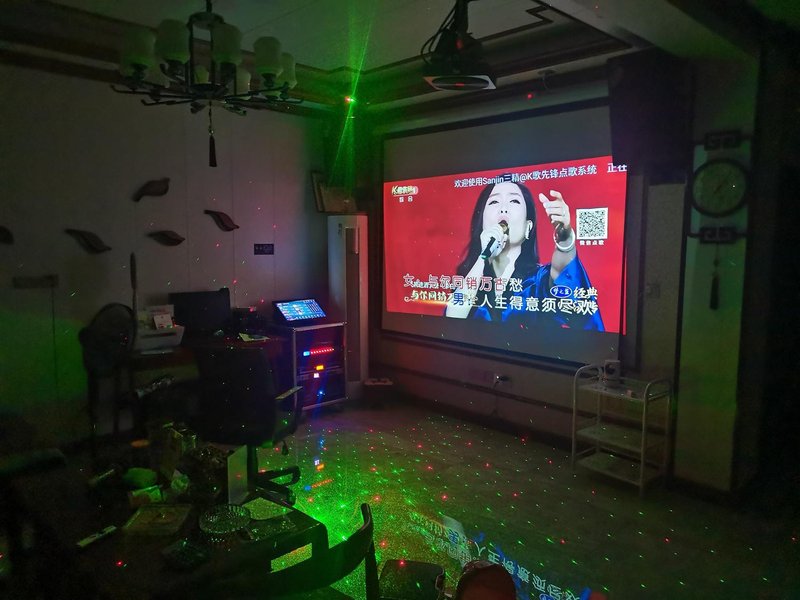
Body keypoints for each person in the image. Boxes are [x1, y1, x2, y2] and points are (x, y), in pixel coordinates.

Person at [445, 180, 603, 330]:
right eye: (494, 202)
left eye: (514, 201)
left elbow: (571, 291)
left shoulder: (539, 280)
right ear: (482, 224)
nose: (503, 208)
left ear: (528, 227)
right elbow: (451, 321)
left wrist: (564, 238)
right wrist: (484, 256)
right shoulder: (470, 280)